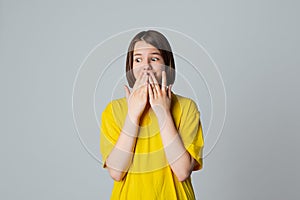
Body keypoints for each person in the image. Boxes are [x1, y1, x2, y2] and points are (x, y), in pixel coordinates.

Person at [100, 30, 204, 200]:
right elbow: (116, 172)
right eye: (138, 59)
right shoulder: (114, 110)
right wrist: (133, 114)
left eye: (154, 59)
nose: (145, 66)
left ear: (166, 64)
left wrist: (163, 113)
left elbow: (182, 171)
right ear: (131, 66)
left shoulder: (186, 107)